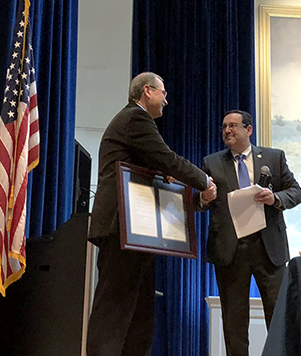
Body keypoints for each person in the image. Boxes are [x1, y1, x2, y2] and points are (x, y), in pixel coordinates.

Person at [86, 72, 217, 356]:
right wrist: (204, 182)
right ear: (147, 91)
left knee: (140, 312)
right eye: (163, 93)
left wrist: (169, 179)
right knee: (115, 309)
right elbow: (166, 159)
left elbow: (158, 169)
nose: (166, 101)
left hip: (137, 233)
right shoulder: (136, 118)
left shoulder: (135, 123)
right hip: (121, 227)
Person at [195, 110, 301, 356]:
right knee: (234, 323)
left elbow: (296, 192)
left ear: (249, 129)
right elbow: (198, 201)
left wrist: (275, 198)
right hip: (230, 252)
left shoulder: (274, 158)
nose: (227, 131)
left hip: (269, 250)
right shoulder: (211, 162)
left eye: (233, 126)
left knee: (279, 318)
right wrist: (203, 198)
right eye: (224, 127)